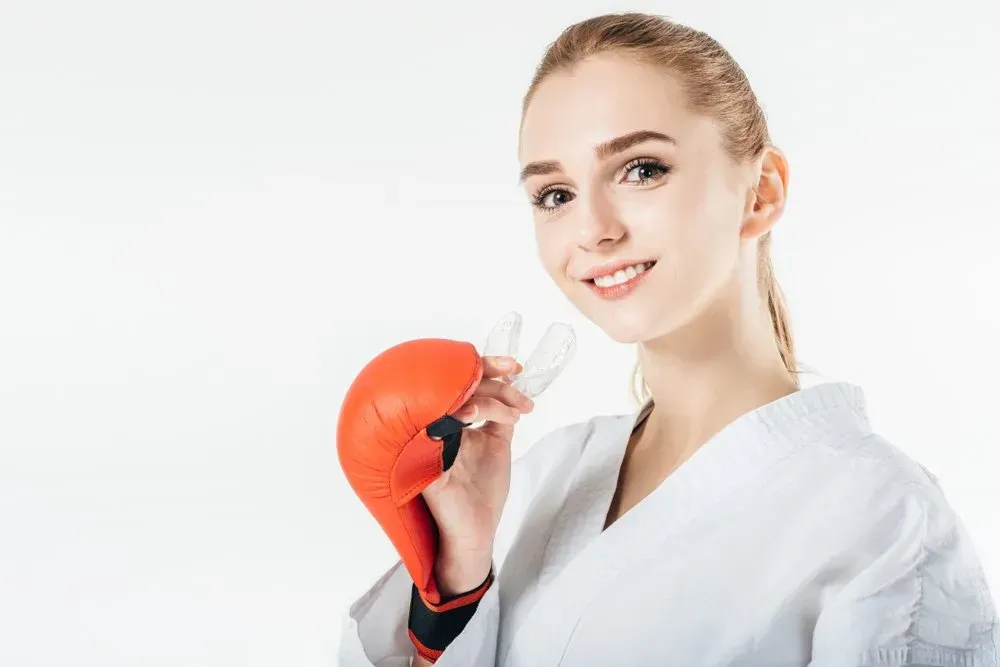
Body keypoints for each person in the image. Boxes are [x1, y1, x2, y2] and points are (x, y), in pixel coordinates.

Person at [337, 12, 999, 667]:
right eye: (555, 193)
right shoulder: (549, 476)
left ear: (761, 192)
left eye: (643, 169)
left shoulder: (882, 519)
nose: (592, 229)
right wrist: (456, 575)